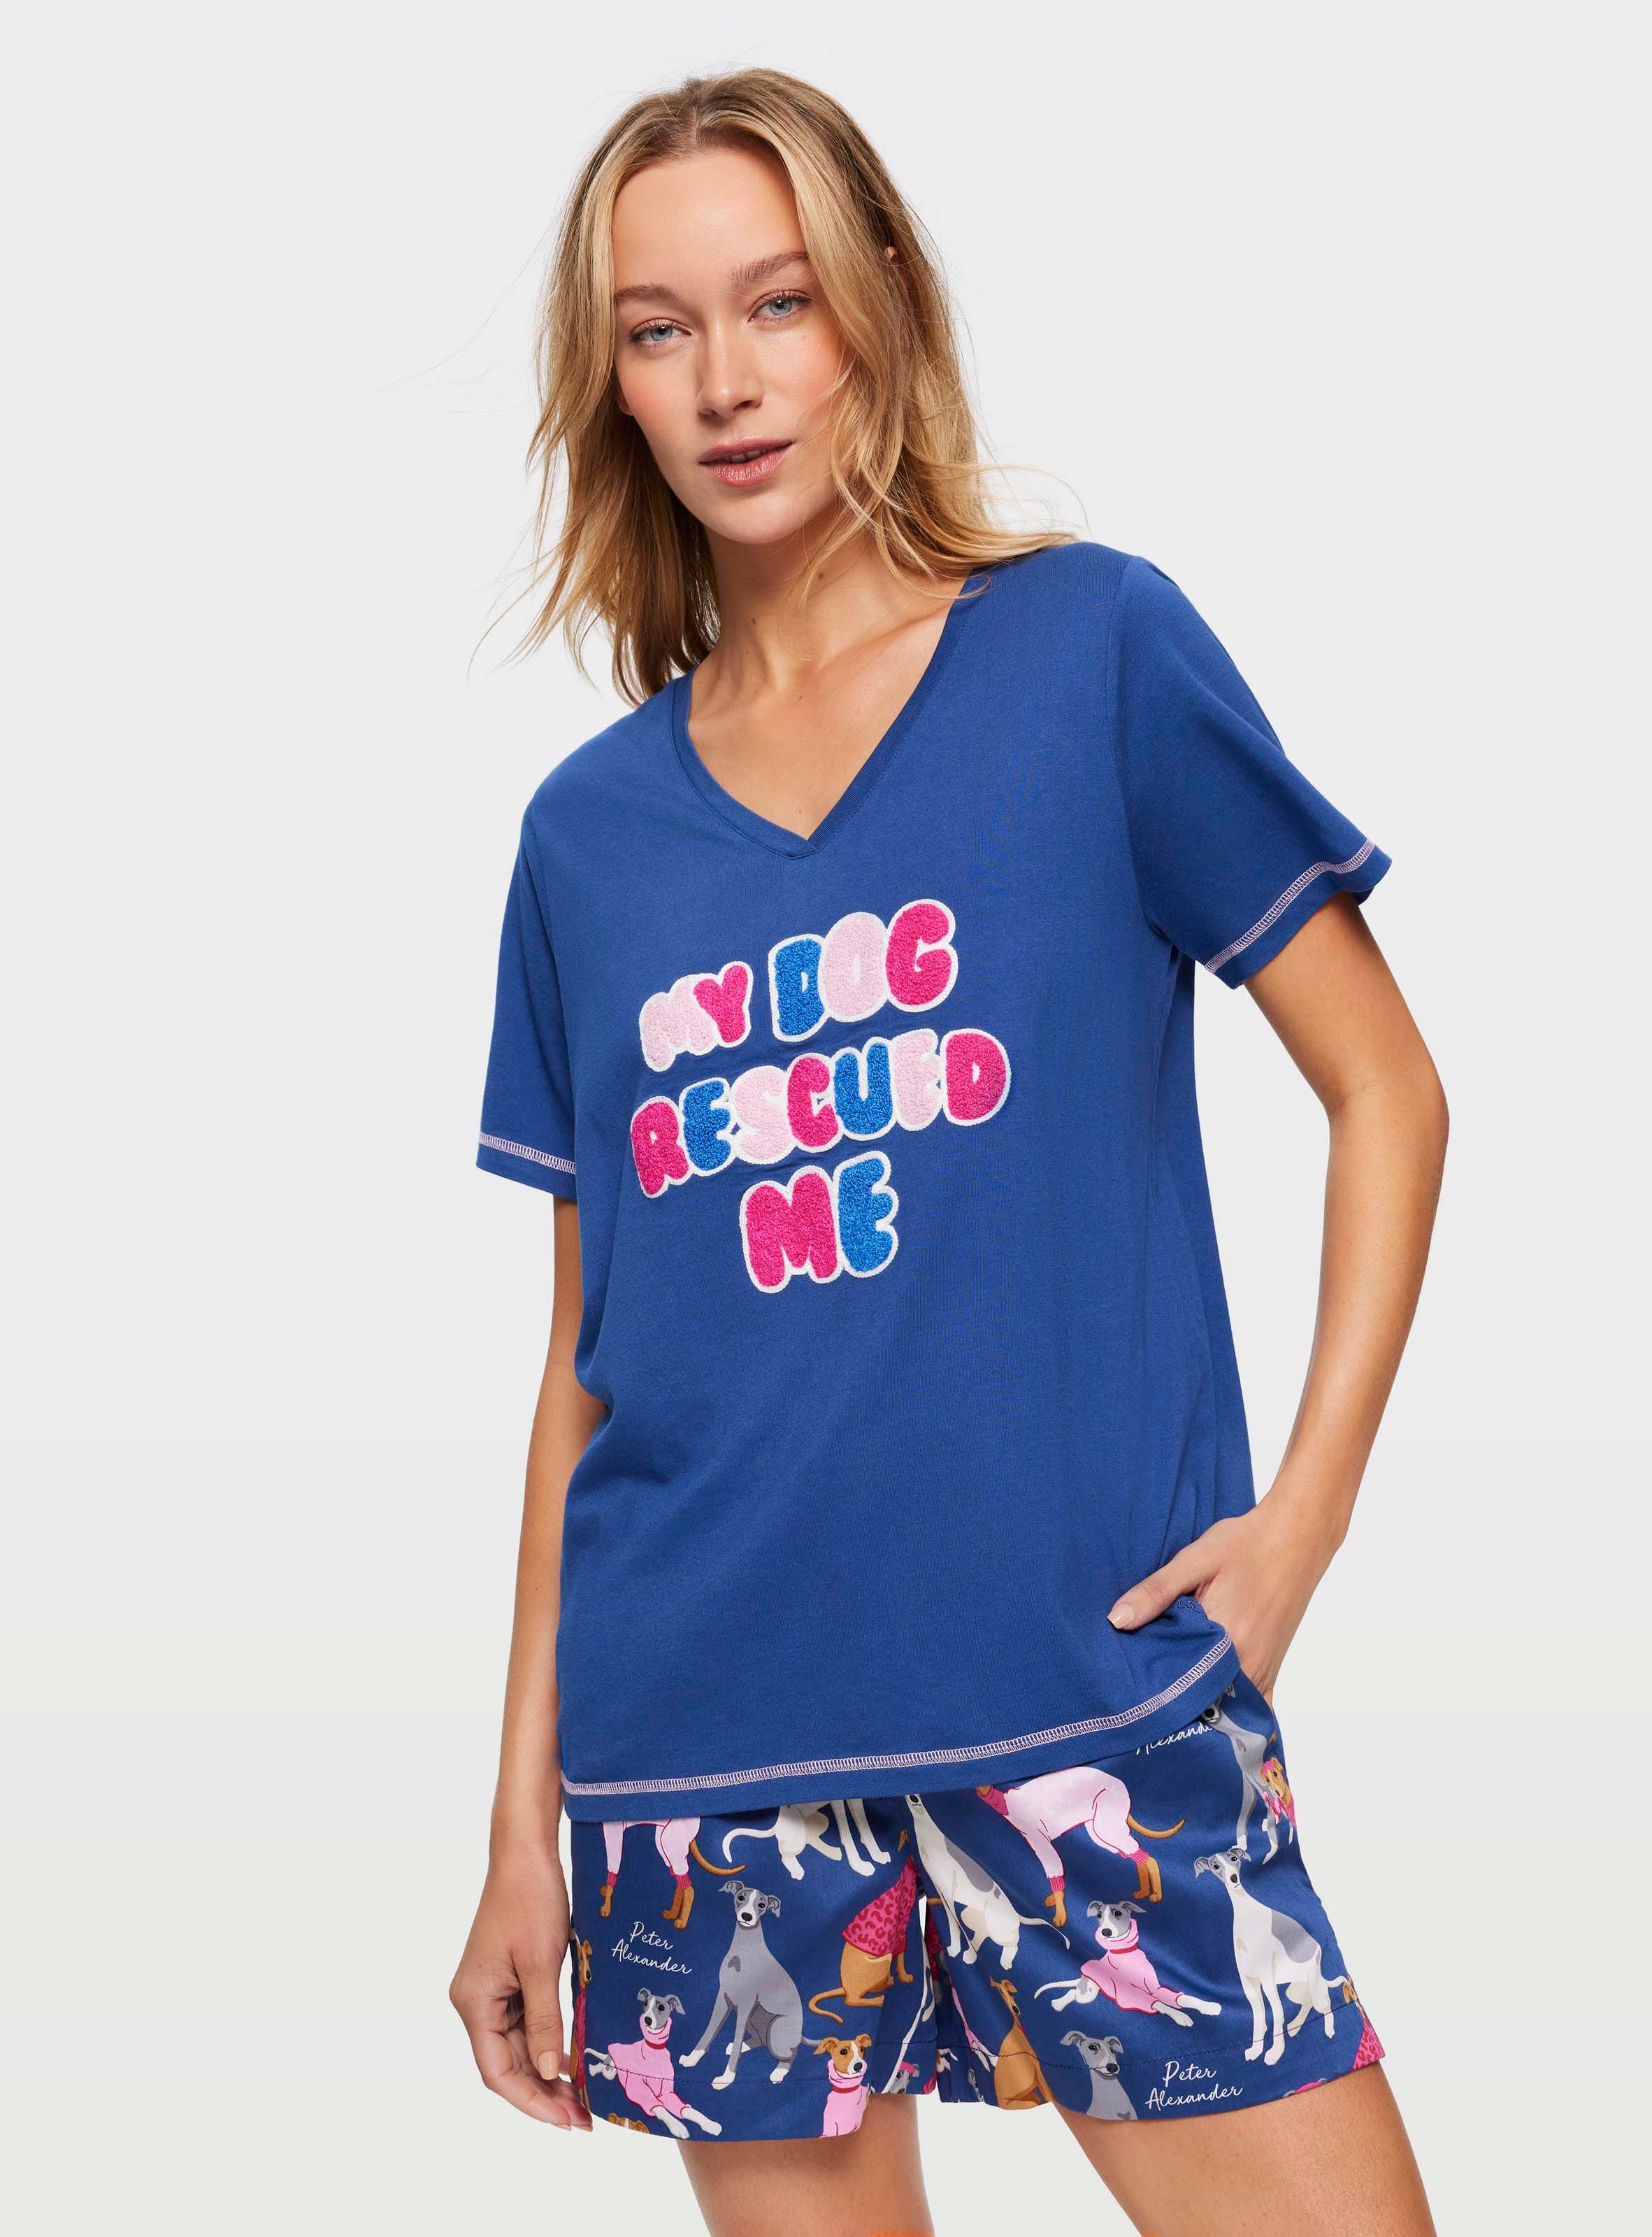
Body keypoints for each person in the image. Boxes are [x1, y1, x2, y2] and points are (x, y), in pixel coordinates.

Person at [449, 67, 1446, 2237]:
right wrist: (522, 1824)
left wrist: (1303, 1523)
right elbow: (584, 1374)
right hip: (703, 1762)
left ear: (876, 303)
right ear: (610, 382)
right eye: (657, 330)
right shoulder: (586, 840)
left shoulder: (1093, 654)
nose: (727, 382)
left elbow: (1388, 1085)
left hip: (1088, 1694)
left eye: (777, 301)